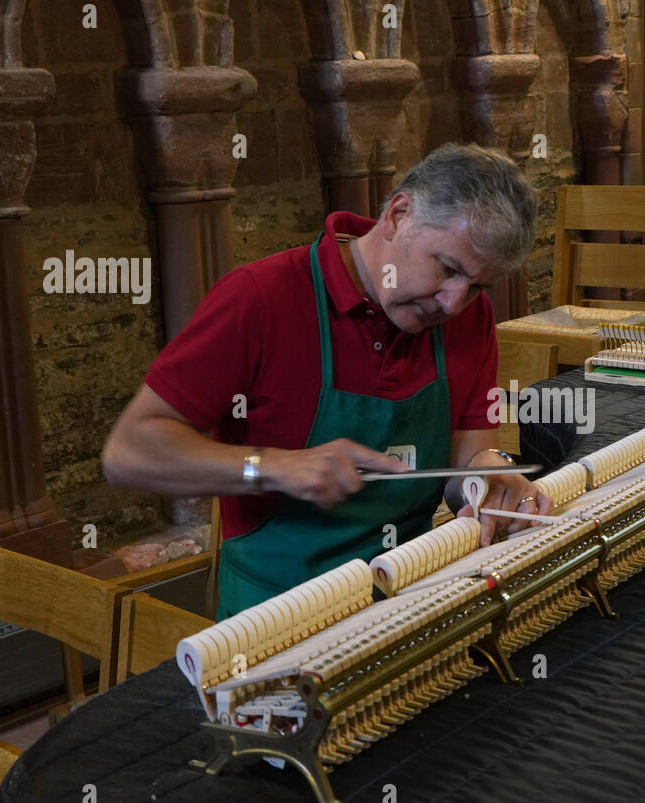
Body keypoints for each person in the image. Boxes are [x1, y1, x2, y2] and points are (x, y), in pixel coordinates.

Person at [102, 144, 551, 618]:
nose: (454, 303)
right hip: (277, 614)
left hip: (411, 592)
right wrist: (271, 467)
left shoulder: (468, 317)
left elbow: (468, 457)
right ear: (399, 215)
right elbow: (129, 452)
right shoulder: (261, 298)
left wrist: (489, 475)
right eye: (449, 268)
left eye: (477, 285)